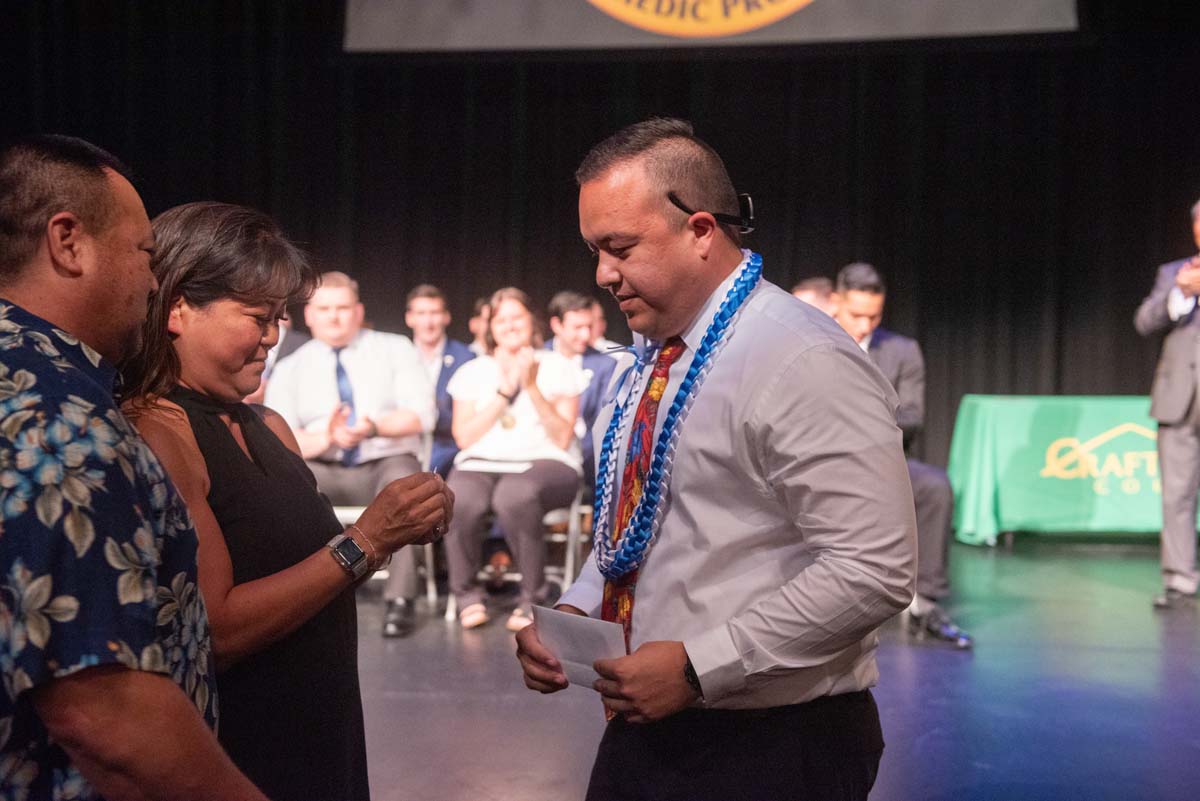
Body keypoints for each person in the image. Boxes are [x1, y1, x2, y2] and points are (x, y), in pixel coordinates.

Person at [516, 118, 916, 801]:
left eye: (620, 247)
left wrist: (700, 667)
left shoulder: (802, 359)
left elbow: (874, 568)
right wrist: (580, 611)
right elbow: (638, 519)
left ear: (701, 230)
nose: (602, 275)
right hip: (650, 727)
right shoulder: (655, 355)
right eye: (595, 250)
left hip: (775, 745)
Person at [121, 201, 453, 800]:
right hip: (245, 749)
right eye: (256, 317)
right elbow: (213, 631)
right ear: (178, 309)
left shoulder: (268, 424)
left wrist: (406, 524)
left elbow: (310, 570)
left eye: (278, 318)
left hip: (325, 727)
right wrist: (370, 539)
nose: (273, 338)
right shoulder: (159, 432)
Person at [0, 136, 268, 800]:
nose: (152, 281)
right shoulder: (56, 415)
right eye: (144, 253)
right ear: (68, 243)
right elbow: (103, 711)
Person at [266, 271, 436, 638]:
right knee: (286, 481)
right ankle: (305, 593)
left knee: (406, 483)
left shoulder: (394, 348)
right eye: (324, 309)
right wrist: (326, 436)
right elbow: (282, 441)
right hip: (323, 466)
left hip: (383, 462)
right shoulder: (290, 366)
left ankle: (400, 599)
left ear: (358, 311)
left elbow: (423, 414)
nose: (334, 317)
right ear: (309, 315)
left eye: (342, 308)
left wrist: (372, 428)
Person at [833, 262, 972, 647]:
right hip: (817, 459)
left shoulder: (901, 350)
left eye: (873, 316)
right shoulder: (811, 339)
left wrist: (863, 415)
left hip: (880, 460)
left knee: (933, 486)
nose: (864, 326)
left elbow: (912, 416)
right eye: (856, 315)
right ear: (836, 303)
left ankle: (924, 602)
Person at [445, 287, 586, 632]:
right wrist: (505, 392)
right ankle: (466, 595)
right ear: (489, 326)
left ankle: (533, 597)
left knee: (515, 495)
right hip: (482, 461)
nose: (509, 326)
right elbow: (464, 437)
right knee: (459, 497)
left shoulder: (558, 365)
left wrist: (532, 385)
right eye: (500, 319)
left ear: (531, 321)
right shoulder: (472, 371)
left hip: (547, 461)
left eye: (516, 317)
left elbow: (562, 436)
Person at [1135, 198, 1200, 610]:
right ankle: (1179, 580)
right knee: (1176, 495)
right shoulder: (1173, 273)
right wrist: (1179, 294)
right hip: (1179, 399)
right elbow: (1144, 322)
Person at [547, 290, 618, 486]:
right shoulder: (538, 358)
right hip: (536, 448)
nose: (585, 335)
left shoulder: (605, 364)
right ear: (556, 325)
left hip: (586, 454)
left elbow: (602, 423)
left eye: (588, 326)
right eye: (577, 327)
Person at [405, 284, 475, 477]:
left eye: (435, 313)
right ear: (409, 318)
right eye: (421, 313)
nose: (428, 322)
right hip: (407, 445)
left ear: (446, 317)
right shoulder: (399, 357)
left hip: (450, 449)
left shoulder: (467, 358)